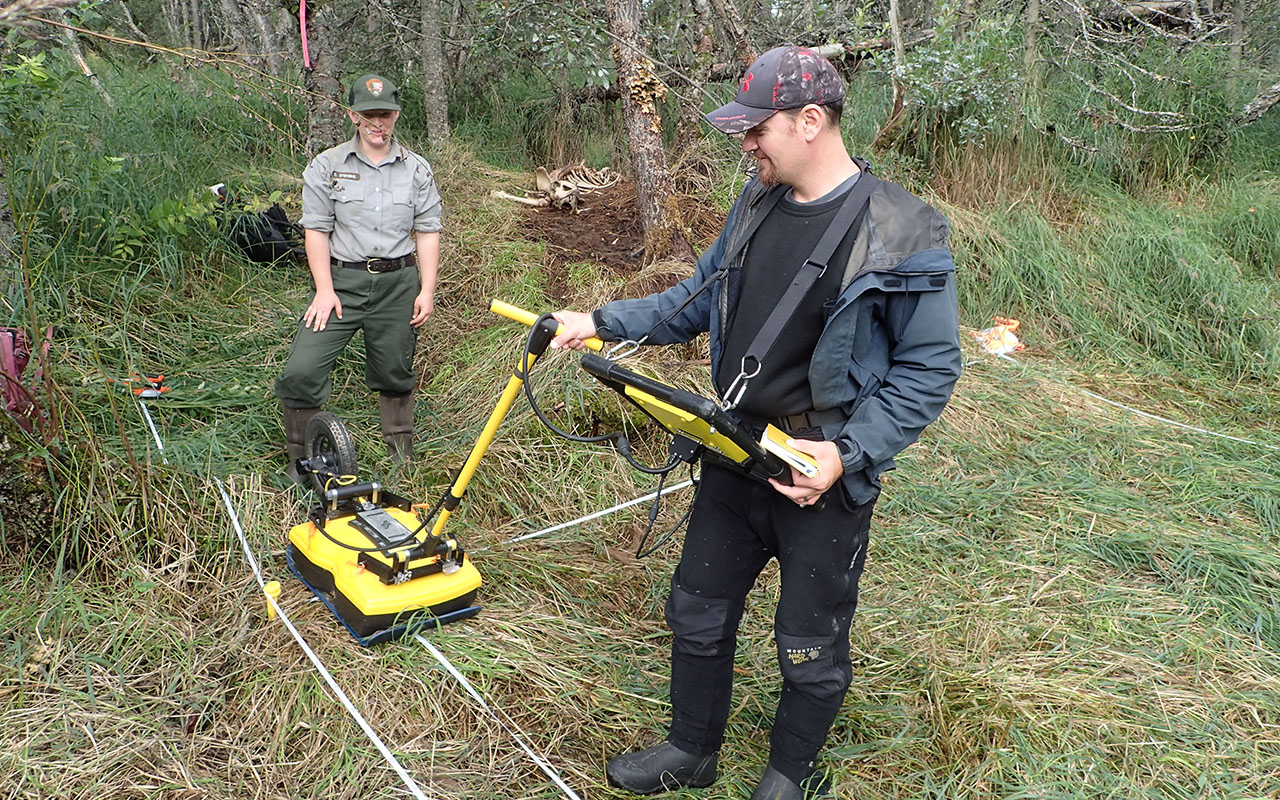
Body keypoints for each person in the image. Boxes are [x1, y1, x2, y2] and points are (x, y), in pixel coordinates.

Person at [551, 46, 961, 799]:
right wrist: (600, 321)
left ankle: (786, 776)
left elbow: (931, 367)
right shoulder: (755, 203)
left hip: (821, 474)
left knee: (810, 644)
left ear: (810, 121)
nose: (745, 144)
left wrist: (845, 454)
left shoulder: (902, 228)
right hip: (733, 450)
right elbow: (699, 296)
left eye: (756, 129)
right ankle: (689, 751)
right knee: (697, 611)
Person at [275, 74, 443, 479]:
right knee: (302, 369)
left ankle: (402, 459)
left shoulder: (416, 169)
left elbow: (428, 230)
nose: (377, 123)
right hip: (342, 284)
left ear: (396, 115)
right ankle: (304, 464)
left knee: (395, 370)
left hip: (397, 285)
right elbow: (316, 230)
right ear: (352, 115)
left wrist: (427, 290)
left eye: (384, 114)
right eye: (368, 115)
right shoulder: (327, 166)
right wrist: (324, 290)